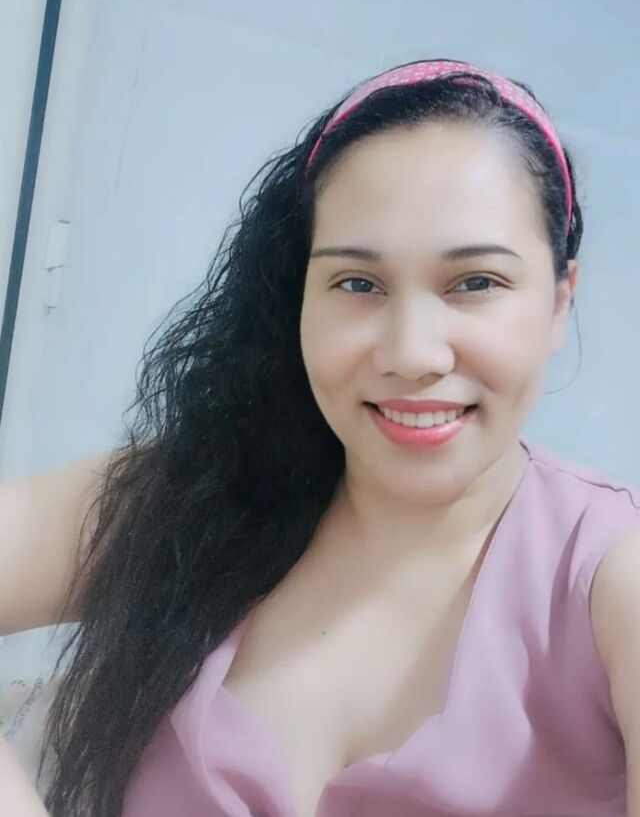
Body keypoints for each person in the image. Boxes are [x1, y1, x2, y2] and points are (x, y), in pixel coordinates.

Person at [1, 58, 639, 817]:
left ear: (561, 300)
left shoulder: (612, 576)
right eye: (357, 284)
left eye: (475, 283)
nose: (411, 353)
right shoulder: (191, 495)